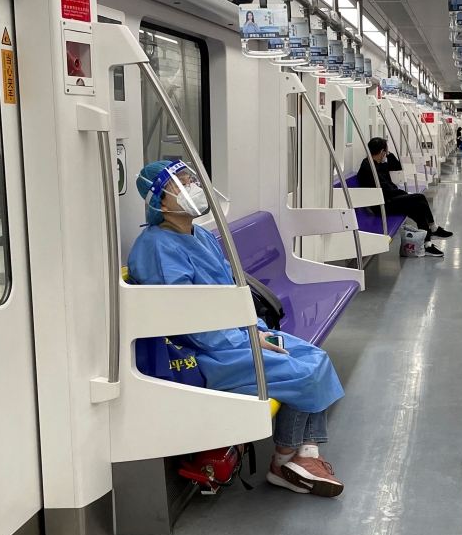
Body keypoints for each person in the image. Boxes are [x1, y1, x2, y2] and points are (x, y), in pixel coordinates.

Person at [128, 160, 345, 496]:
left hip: (237, 335)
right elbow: (182, 319)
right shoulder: (157, 247)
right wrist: (250, 338)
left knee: (316, 357)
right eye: (182, 184)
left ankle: (305, 456)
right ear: (160, 203)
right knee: (303, 373)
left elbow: (234, 293)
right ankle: (285, 459)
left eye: (192, 181)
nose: (193, 189)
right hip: (208, 353)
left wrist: (256, 330)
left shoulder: (200, 235)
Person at [358, 138, 452, 257]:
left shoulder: (379, 164)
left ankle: (427, 243)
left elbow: (397, 167)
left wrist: (388, 154)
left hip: (389, 199)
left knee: (418, 209)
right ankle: (433, 227)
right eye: (385, 152)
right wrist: (400, 194)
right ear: (381, 151)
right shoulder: (367, 167)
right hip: (382, 204)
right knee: (419, 198)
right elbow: (383, 190)